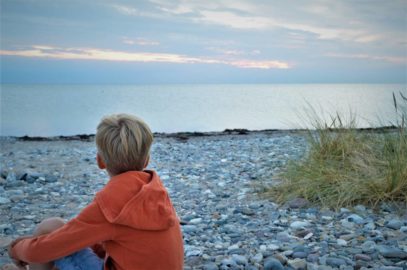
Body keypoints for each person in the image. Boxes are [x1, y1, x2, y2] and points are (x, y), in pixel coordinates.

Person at [8, 114, 184, 270]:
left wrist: (17, 249)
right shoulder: (156, 192)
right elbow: (124, 240)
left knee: (49, 227)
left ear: (100, 161)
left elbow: (38, 252)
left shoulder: (111, 204)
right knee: (63, 238)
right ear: (146, 160)